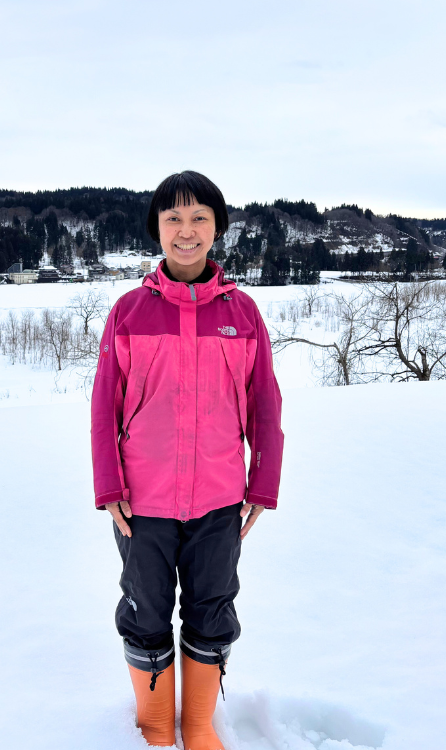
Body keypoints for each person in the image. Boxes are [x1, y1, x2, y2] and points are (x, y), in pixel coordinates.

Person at [90, 171, 285, 749]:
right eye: (173, 218)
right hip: (142, 501)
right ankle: (155, 726)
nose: (186, 230)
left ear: (218, 229)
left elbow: (264, 404)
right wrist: (108, 485)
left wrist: (262, 485)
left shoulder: (243, 313)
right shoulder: (129, 311)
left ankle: (197, 725)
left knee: (213, 607)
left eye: (200, 217)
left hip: (219, 499)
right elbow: (104, 404)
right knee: (145, 609)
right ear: (156, 228)